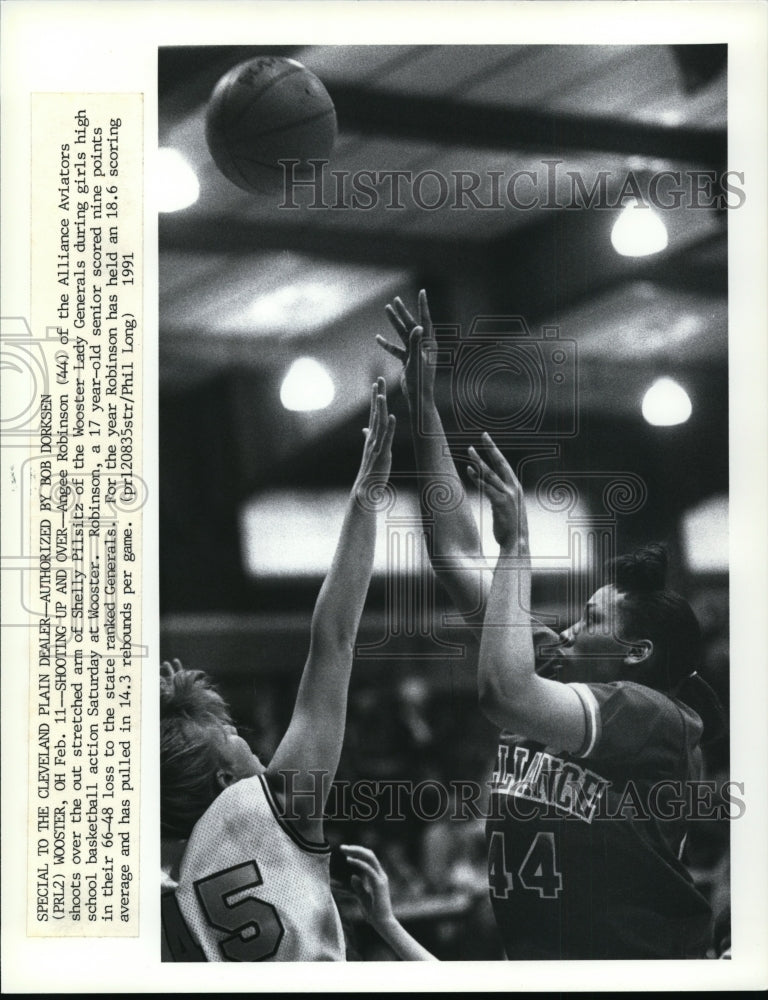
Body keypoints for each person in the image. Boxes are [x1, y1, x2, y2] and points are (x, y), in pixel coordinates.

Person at [377, 290, 721, 959]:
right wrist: (423, 408)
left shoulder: (654, 719)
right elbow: (452, 554)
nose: (569, 627)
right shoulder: (556, 665)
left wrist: (519, 548)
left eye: (593, 618)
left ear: (635, 652)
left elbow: (501, 692)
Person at [161, 381, 395, 962]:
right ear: (223, 780)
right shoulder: (277, 803)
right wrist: (366, 497)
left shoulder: (167, 883)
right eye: (237, 741)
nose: (257, 749)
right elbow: (334, 641)